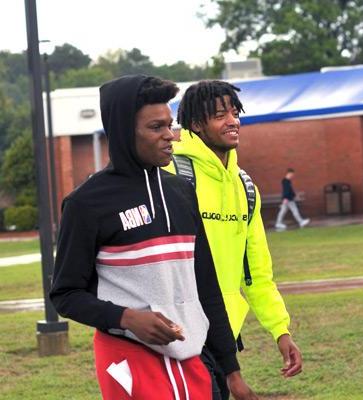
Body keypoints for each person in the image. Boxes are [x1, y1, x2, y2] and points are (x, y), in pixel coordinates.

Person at [50, 75, 252, 399]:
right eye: (156, 127)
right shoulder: (86, 203)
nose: (170, 136)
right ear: (123, 133)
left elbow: (207, 288)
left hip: (196, 360)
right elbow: (65, 294)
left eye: (170, 126)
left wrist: (232, 370)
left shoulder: (182, 191)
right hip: (130, 361)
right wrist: (126, 318)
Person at [166, 80, 303, 398]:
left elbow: (257, 273)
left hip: (225, 336)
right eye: (220, 115)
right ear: (197, 125)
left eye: (234, 112)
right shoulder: (172, 175)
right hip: (177, 337)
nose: (233, 120)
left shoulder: (244, 186)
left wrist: (280, 331)